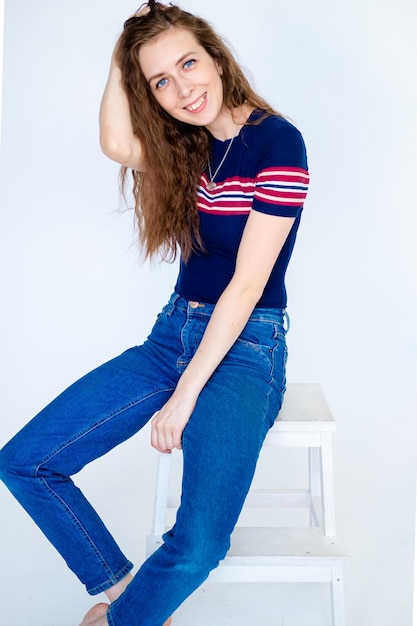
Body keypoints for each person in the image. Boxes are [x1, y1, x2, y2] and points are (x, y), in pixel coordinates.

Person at [0, 2, 309, 624]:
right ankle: (124, 593)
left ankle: (117, 620)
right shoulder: (188, 146)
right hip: (173, 334)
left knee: (198, 545)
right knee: (26, 461)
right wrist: (125, 51)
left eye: (188, 63)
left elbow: (247, 287)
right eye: (160, 81)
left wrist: (186, 395)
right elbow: (115, 141)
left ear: (217, 59)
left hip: (246, 348)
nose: (181, 88)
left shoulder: (278, 141)